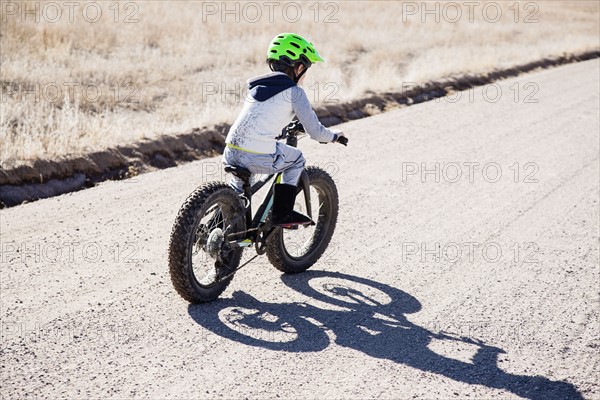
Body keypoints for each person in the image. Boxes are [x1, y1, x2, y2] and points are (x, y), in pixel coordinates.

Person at [223, 33, 346, 228]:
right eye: (306, 69)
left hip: (230, 150)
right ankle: (282, 214)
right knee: (296, 159)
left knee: (238, 188)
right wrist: (333, 136)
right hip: (255, 154)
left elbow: (261, 122)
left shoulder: (256, 88)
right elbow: (315, 132)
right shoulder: (295, 93)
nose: (305, 75)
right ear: (298, 67)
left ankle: (222, 222)